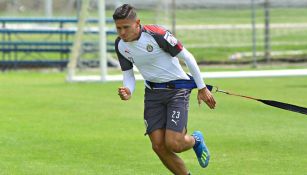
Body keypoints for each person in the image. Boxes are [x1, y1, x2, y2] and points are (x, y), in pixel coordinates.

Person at [113, 4, 216, 175]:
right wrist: (128, 90)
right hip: (153, 94)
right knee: (158, 146)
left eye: (126, 27)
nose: (122, 32)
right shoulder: (120, 45)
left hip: (177, 91)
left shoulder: (157, 34)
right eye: (118, 28)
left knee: (174, 144)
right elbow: (128, 75)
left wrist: (202, 87)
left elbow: (188, 57)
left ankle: (196, 140)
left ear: (137, 23)